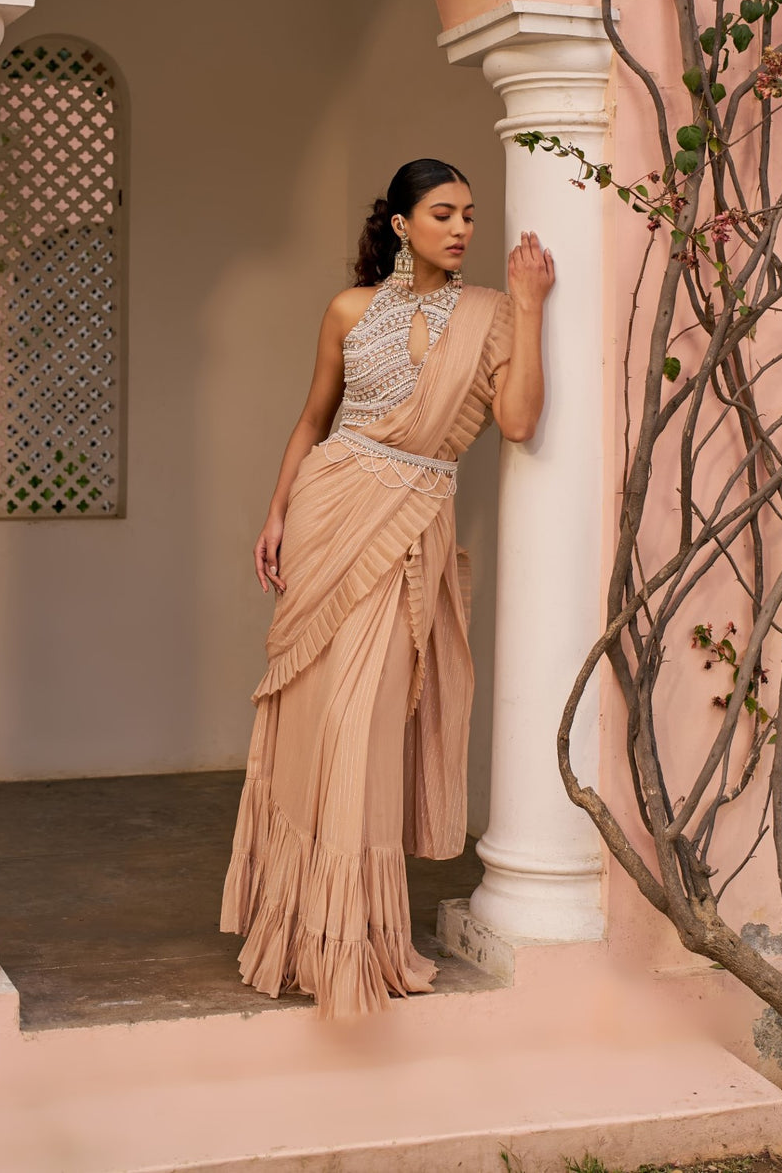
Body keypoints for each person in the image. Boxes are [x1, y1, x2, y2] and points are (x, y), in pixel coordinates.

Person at [220, 158, 554, 1018]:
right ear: (402, 224)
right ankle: (297, 930)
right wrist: (275, 514)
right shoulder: (349, 309)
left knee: (367, 726)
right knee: (313, 716)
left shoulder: (488, 317)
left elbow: (516, 422)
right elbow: (315, 418)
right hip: (330, 512)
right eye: (442, 213)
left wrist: (530, 308)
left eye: (470, 216)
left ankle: (360, 938)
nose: (461, 229)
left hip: (410, 525)